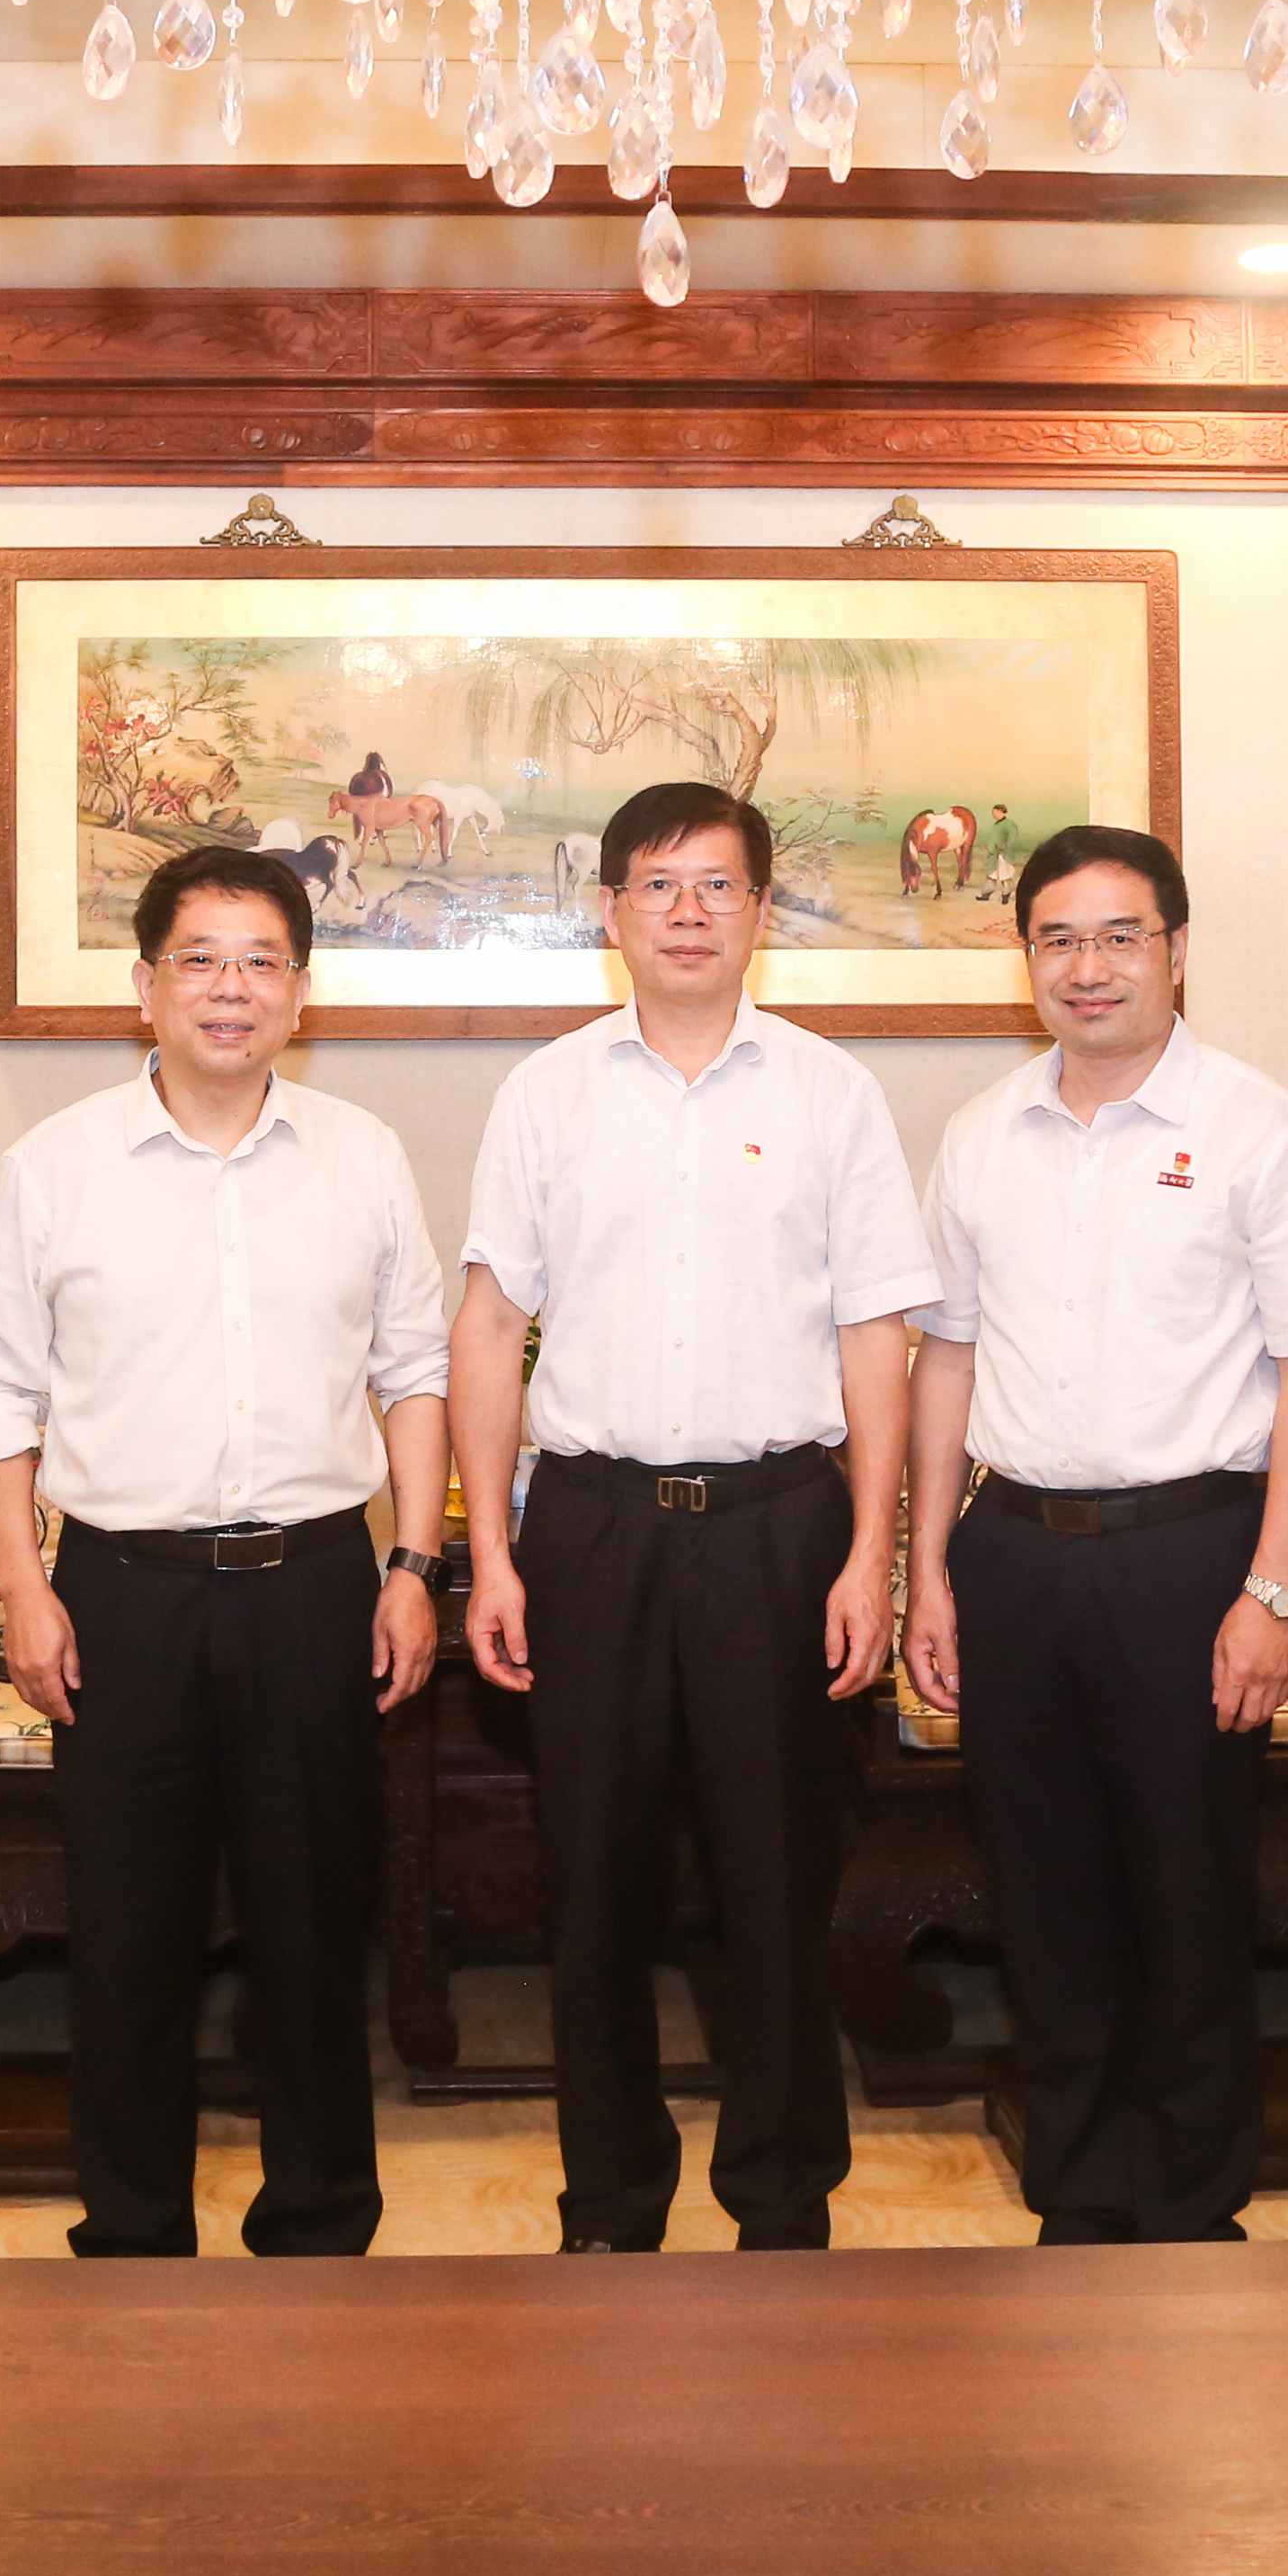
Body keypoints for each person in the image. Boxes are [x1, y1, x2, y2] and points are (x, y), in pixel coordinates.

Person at [453, 780, 939, 2252]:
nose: (685, 912)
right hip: (590, 1527)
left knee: (774, 1882)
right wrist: (492, 1553)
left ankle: (782, 2203)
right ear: (609, 910)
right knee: (591, 1887)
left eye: (716, 885)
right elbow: (489, 1328)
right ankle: (608, 2203)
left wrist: (869, 1553)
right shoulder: (546, 1093)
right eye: (656, 885)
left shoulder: (829, 1094)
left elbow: (875, 1337)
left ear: (760, 911)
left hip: (777, 1527)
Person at [0, 845, 451, 2260]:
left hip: (315, 1586)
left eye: (259, 962)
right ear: (144, 983)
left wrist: (413, 1565)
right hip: (121, 1595)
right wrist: (25, 1586)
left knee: (313, 1933)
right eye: (199, 959)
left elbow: (415, 1371)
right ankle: (131, 2242)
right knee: (126, 1940)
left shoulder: (360, 1157)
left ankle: (318, 2230)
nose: (229, 989)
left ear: (300, 990)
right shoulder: (54, 1168)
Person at [901, 825, 1288, 2244]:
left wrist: (1271, 1591)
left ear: (1174, 950)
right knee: (1040, 1889)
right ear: (1025, 959)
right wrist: (929, 1567)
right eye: (1057, 938)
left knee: (1186, 1890)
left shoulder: (1257, 1129)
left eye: (1119, 936)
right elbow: (945, 1356)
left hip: (1191, 1554)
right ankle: (1078, 2192)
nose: (1087, 966)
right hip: (1013, 1553)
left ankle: (1187, 2205)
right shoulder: (981, 1136)